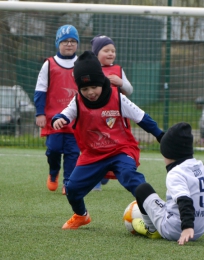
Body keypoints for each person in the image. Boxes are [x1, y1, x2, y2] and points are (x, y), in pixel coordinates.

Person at [52, 51, 164, 230]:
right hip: (93, 154)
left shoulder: (117, 98)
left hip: (121, 150)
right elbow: (65, 113)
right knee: (72, 189)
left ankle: (157, 212)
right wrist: (59, 119)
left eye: (94, 87)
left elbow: (141, 117)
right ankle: (81, 215)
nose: (90, 92)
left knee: (130, 177)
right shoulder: (77, 101)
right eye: (85, 89)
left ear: (102, 82)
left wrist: (160, 135)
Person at [132, 122, 204, 245]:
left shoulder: (176, 173)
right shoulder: (200, 167)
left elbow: (184, 200)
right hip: (199, 230)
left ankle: (151, 229)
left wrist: (187, 227)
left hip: (175, 229)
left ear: (169, 153)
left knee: (142, 189)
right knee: (169, 202)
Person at [34, 25, 80, 195]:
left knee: (73, 153)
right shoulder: (49, 64)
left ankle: (68, 183)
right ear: (58, 43)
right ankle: (53, 172)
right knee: (53, 150)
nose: (69, 44)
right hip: (54, 119)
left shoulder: (82, 64)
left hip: (76, 119)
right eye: (65, 41)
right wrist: (40, 113)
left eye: (73, 41)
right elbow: (40, 90)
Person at [91, 34, 133, 190]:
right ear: (96, 54)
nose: (110, 54)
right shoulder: (91, 70)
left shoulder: (118, 70)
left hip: (114, 119)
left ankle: (106, 173)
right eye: (106, 50)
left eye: (113, 51)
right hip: (95, 117)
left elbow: (129, 90)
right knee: (95, 146)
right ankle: (94, 181)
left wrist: (120, 82)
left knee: (113, 147)